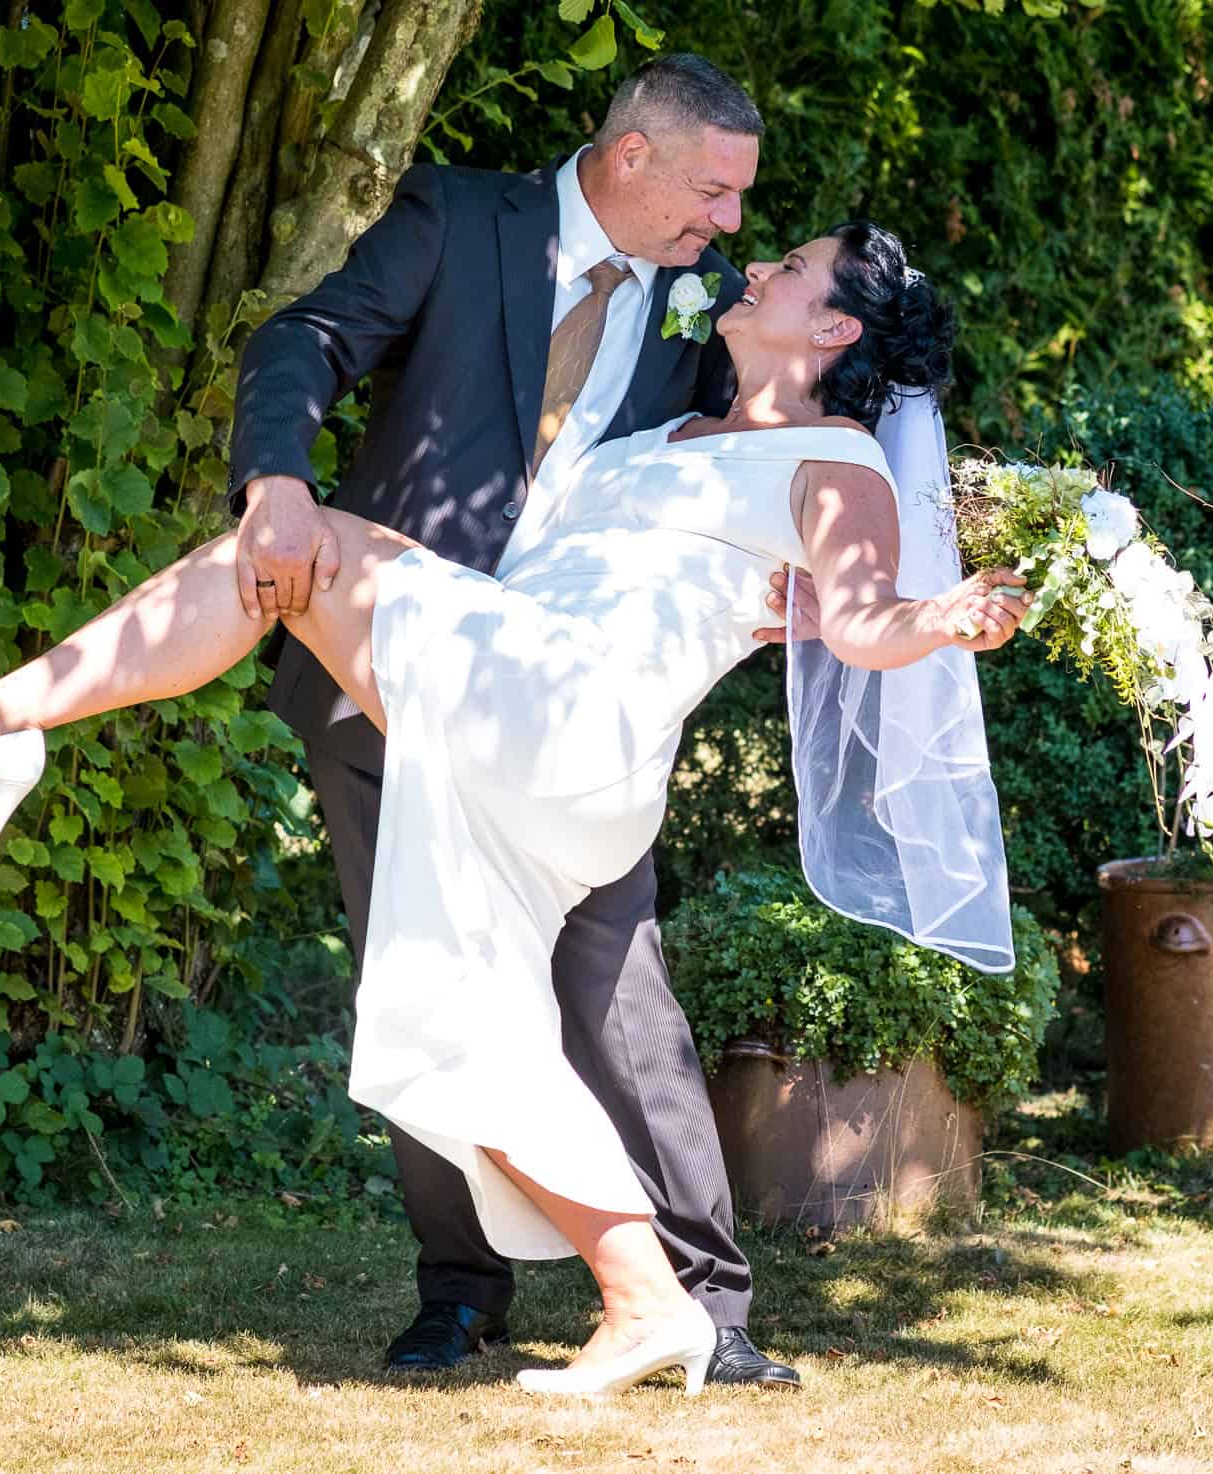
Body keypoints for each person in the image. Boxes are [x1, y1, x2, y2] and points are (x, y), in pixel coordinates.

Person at [0, 219, 1031, 1397]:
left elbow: (871, 618)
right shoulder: (666, 429)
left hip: (579, 714)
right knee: (445, 1007)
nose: (759, 263)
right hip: (522, 709)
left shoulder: (836, 461)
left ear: (832, 328)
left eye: (793, 268)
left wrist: (940, 620)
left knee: (293, 543)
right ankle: (642, 1301)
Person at [226, 53, 805, 1386]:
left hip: (572, 701)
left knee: (616, 985)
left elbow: (761, 454)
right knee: (421, 970)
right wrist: (277, 482)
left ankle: (705, 1305)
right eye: (714, 190)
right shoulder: (457, 219)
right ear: (634, 154)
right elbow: (302, 338)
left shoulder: (715, 303)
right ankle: (461, 1291)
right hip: (393, 675)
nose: (729, 223)